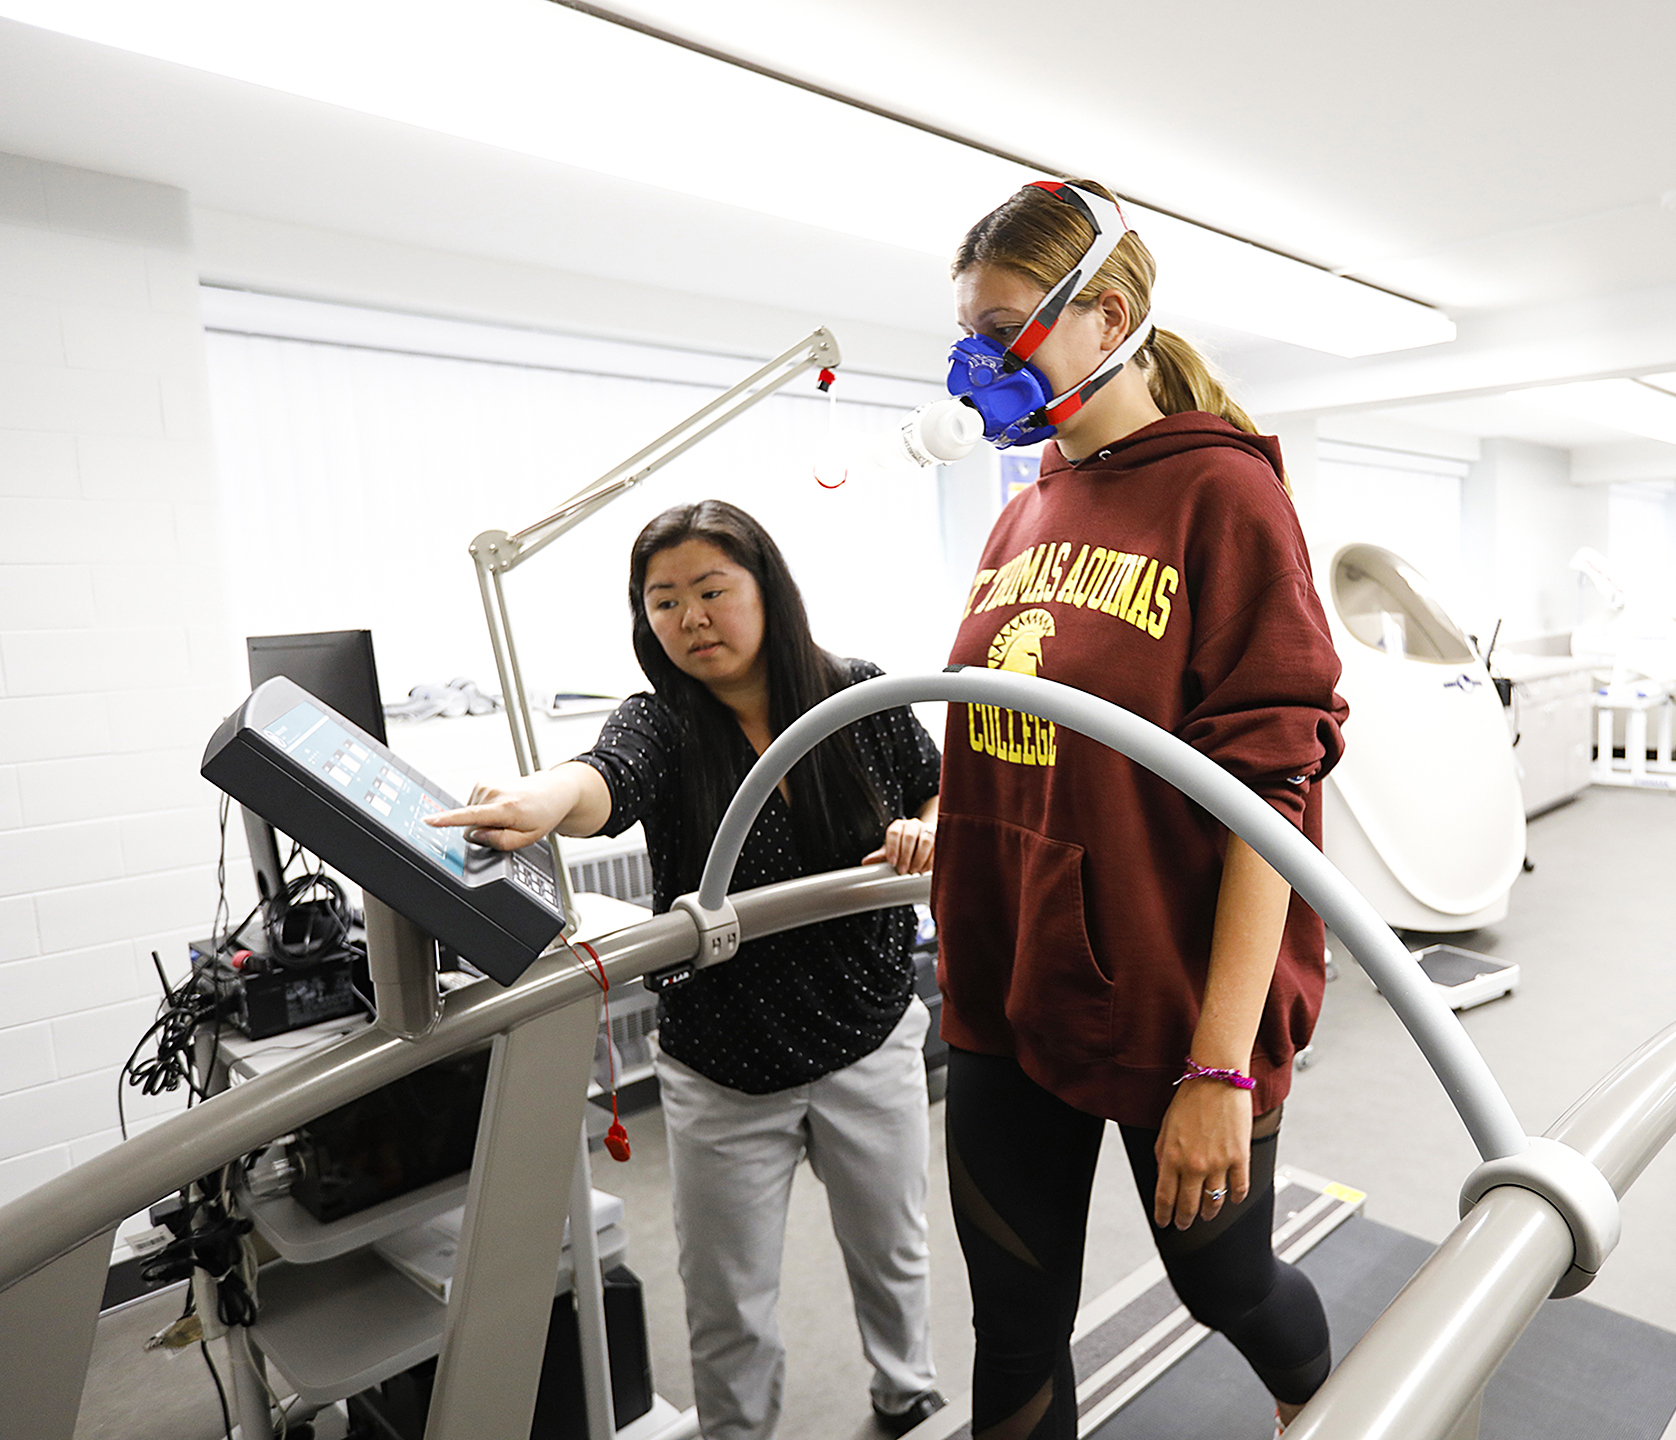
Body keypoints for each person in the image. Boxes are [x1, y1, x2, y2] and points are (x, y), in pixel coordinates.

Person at [931, 177, 1348, 1440]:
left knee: (1224, 1281)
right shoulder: (1022, 510)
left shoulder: (1224, 498)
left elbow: (1272, 791)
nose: (973, 363)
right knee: (1012, 1321)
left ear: (1105, 317)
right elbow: (1016, 722)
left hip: (1175, 997)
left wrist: (1220, 1064)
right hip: (1009, 985)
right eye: (967, 329)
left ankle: (1323, 1408)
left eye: (1002, 329)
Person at [428, 501, 946, 1440]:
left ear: (768, 593)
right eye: (663, 602)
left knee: (893, 1251)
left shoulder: (856, 696)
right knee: (726, 1300)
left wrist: (928, 827)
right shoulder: (660, 723)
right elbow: (600, 779)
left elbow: (932, 781)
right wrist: (536, 800)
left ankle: (905, 1389)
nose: (690, 618)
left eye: (711, 591)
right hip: (723, 1067)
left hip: (867, 1036)